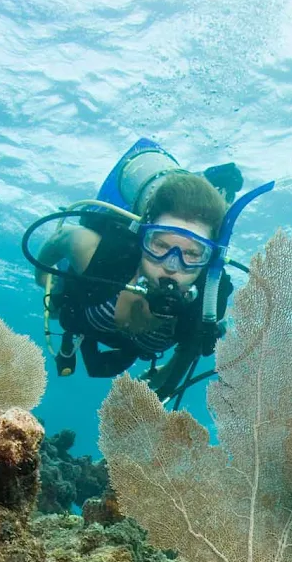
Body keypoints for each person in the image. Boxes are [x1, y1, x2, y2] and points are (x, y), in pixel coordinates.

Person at [34, 170, 233, 402]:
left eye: (192, 253)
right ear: (142, 238)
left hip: (133, 350)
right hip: (84, 321)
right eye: (159, 244)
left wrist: (162, 379)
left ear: (209, 259)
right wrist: (43, 278)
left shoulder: (207, 304)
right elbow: (64, 237)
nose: (171, 266)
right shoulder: (103, 257)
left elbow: (187, 353)